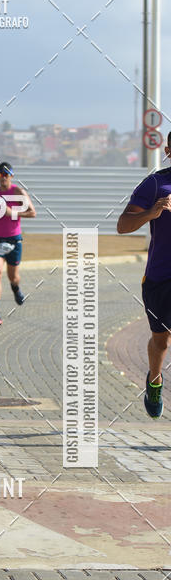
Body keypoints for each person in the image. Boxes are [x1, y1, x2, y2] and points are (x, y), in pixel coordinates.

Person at [117, 137, 171, 418]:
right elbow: (123, 225)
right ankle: (154, 379)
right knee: (161, 341)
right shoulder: (154, 185)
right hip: (160, 278)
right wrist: (154, 211)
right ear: (168, 151)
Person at [0, 162, 36, 326]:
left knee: (13, 277)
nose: (3, 179)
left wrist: (12, 212)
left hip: (14, 239)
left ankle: (15, 288)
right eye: (0, 175)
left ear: (11, 176)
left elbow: (33, 213)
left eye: (6, 175)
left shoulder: (18, 192)